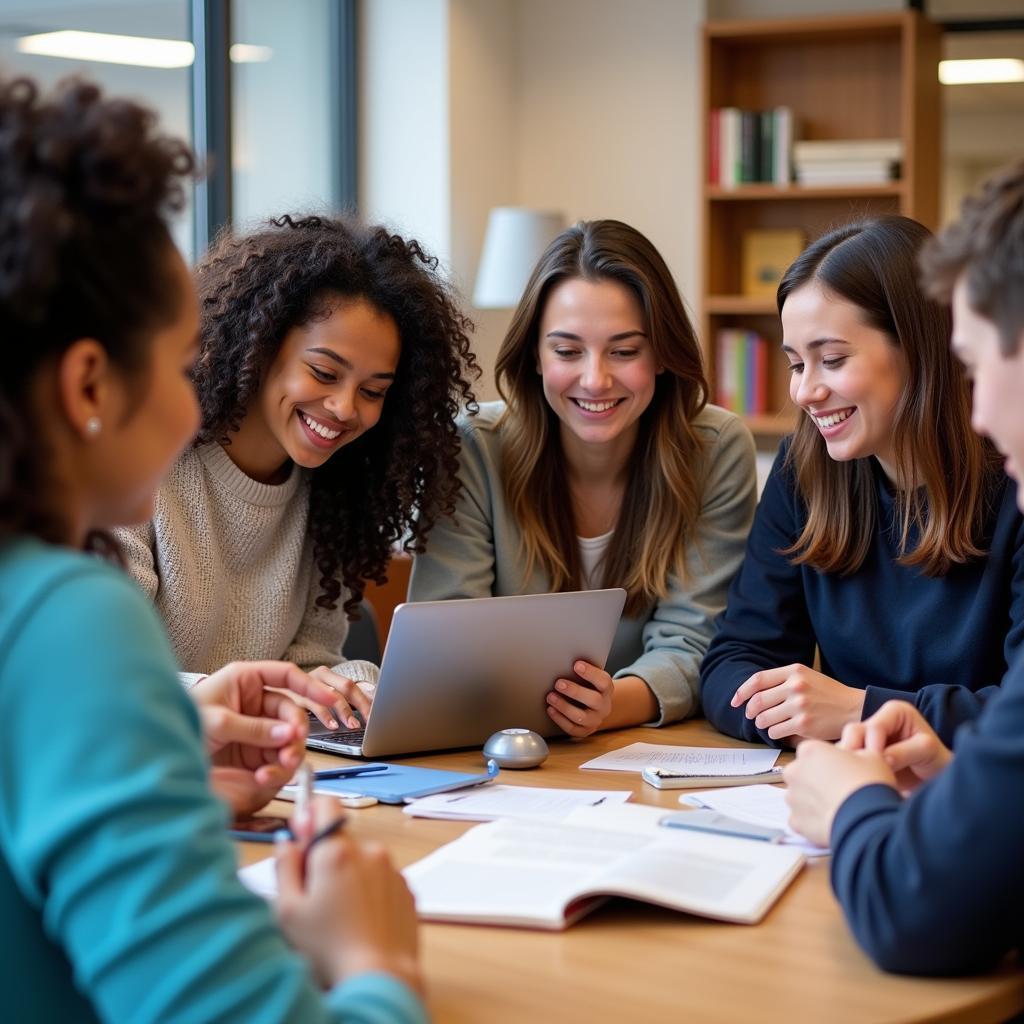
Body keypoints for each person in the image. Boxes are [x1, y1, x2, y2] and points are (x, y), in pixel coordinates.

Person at [0, 75, 426, 1022]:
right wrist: (379, 963)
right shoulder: (65, 616)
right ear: (86, 385)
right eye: (179, 358)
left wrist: (166, 748)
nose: (197, 399)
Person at [784, 161, 1024, 976]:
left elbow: (914, 911)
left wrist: (853, 801)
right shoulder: (809, 471)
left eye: (983, 364)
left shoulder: (1005, 495)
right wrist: (961, 776)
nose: (979, 407)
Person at [115, 212, 478, 730]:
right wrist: (252, 691)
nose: (345, 407)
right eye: (324, 373)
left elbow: (308, 661)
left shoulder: (335, 494)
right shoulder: (139, 462)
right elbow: (101, 671)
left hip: (256, 764)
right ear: (259, 345)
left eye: (373, 391)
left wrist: (359, 687)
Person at [409, 219, 757, 735]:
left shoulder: (716, 448)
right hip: (490, 743)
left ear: (661, 353)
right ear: (534, 354)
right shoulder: (472, 446)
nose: (595, 379)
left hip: (637, 745)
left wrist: (611, 704)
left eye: (624, 351)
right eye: (567, 351)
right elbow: (445, 640)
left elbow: (695, 641)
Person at [700, 215, 1024, 748]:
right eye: (795, 364)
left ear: (921, 348)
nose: (805, 392)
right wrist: (793, 711)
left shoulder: (1016, 478)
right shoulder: (802, 471)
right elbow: (732, 663)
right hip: (846, 784)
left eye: (831, 359)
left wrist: (860, 710)